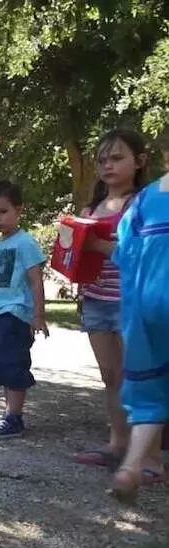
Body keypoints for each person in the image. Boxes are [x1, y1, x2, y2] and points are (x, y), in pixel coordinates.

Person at [75, 130, 154, 471]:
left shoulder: (144, 203)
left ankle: (149, 458)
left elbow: (146, 254)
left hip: (132, 301)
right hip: (95, 300)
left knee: (141, 376)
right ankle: (118, 443)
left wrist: (99, 247)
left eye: (117, 157)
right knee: (111, 376)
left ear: (139, 162)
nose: (107, 165)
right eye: (102, 159)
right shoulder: (89, 208)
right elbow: (76, 257)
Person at [106, 174, 169, 502]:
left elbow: (125, 257)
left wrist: (132, 319)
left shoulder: (145, 199)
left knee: (149, 390)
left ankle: (133, 464)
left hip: (148, 301)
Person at [0, 180, 48, 440]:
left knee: (13, 363)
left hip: (16, 313)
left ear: (18, 210)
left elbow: (35, 280)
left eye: (3, 211)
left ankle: (15, 417)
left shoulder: (25, 242)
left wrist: (38, 315)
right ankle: (9, 414)